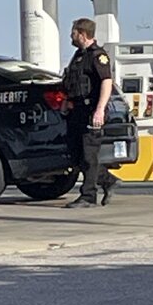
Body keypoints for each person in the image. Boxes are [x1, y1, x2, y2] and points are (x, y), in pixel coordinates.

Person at [62, 17, 119, 208]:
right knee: (76, 155)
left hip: (91, 111)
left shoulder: (98, 56)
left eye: (74, 32)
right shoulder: (79, 56)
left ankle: (88, 196)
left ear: (83, 34)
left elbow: (106, 81)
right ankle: (108, 180)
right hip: (76, 111)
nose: (71, 35)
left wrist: (99, 110)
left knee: (89, 155)